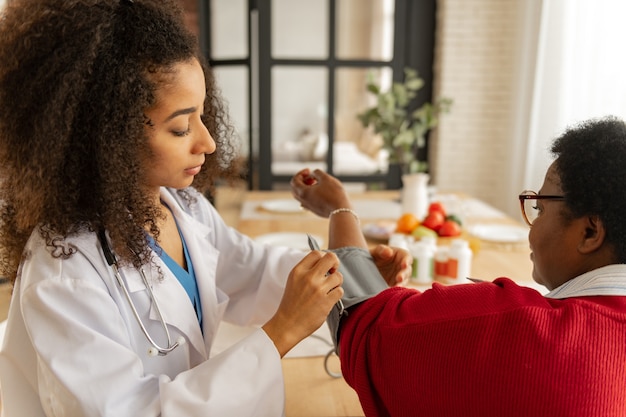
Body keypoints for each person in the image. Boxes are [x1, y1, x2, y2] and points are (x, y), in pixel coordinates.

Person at [0, 1, 412, 415]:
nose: (208, 142)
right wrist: (281, 332)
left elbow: (250, 271)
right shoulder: (64, 273)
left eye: (201, 115)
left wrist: (351, 269)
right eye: (180, 127)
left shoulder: (182, 207)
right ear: (105, 136)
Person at [291, 116, 626, 417]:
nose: (532, 226)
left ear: (590, 232)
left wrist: (340, 208)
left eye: (538, 209)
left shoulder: (521, 328)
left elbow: (365, 328)